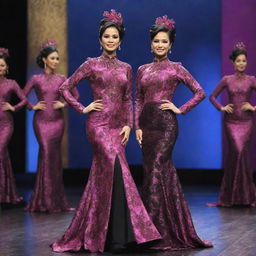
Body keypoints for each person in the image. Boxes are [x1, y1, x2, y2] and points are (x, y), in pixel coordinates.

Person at [51, 9, 161, 253]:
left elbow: (127, 99)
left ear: (120, 41)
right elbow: (65, 88)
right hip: (98, 125)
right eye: (107, 36)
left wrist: (129, 124)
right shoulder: (91, 64)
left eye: (115, 37)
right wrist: (83, 107)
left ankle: (114, 234)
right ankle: (117, 234)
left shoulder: (126, 68)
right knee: (115, 164)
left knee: (106, 175)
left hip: (118, 127)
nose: (111, 40)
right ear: (100, 39)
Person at [135, 16, 212, 250]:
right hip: (147, 127)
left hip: (167, 126)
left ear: (170, 45)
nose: (160, 45)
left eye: (164, 41)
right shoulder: (142, 70)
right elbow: (138, 98)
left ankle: (156, 233)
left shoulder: (176, 68)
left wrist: (180, 109)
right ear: (151, 44)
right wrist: (137, 126)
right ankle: (154, 229)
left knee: (157, 169)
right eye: (156, 41)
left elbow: (199, 92)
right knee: (152, 175)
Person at [23, 40, 79, 212]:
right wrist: (32, 107)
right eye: (53, 58)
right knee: (46, 154)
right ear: (45, 59)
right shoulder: (36, 79)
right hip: (41, 122)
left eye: (57, 58)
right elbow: (22, 95)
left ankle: (56, 201)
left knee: (53, 158)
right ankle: (44, 201)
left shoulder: (62, 79)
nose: (56, 61)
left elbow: (75, 95)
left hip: (57, 122)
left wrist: (63, 105)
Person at [209, 42, 256, 207]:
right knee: (236, 152)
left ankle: (246, 196)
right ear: (233, 63)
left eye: (244, 60)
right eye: (238, 61)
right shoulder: (227, 80)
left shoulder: (251, 80)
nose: (241, 63)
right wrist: (222, 107)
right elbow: (212, 96)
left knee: (241, 152)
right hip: (231, 123)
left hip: (247, 121)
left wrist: (253, 107)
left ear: (246, 62)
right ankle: (232, 195)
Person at [0, 47, 27, 208]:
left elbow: (24, 99)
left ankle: (5, 192)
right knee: (3, 155)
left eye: (2, 65)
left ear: (6, 67)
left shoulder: (11, 83)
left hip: (5, 124)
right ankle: (7, 193)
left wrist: (13, 107)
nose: (0, 68)